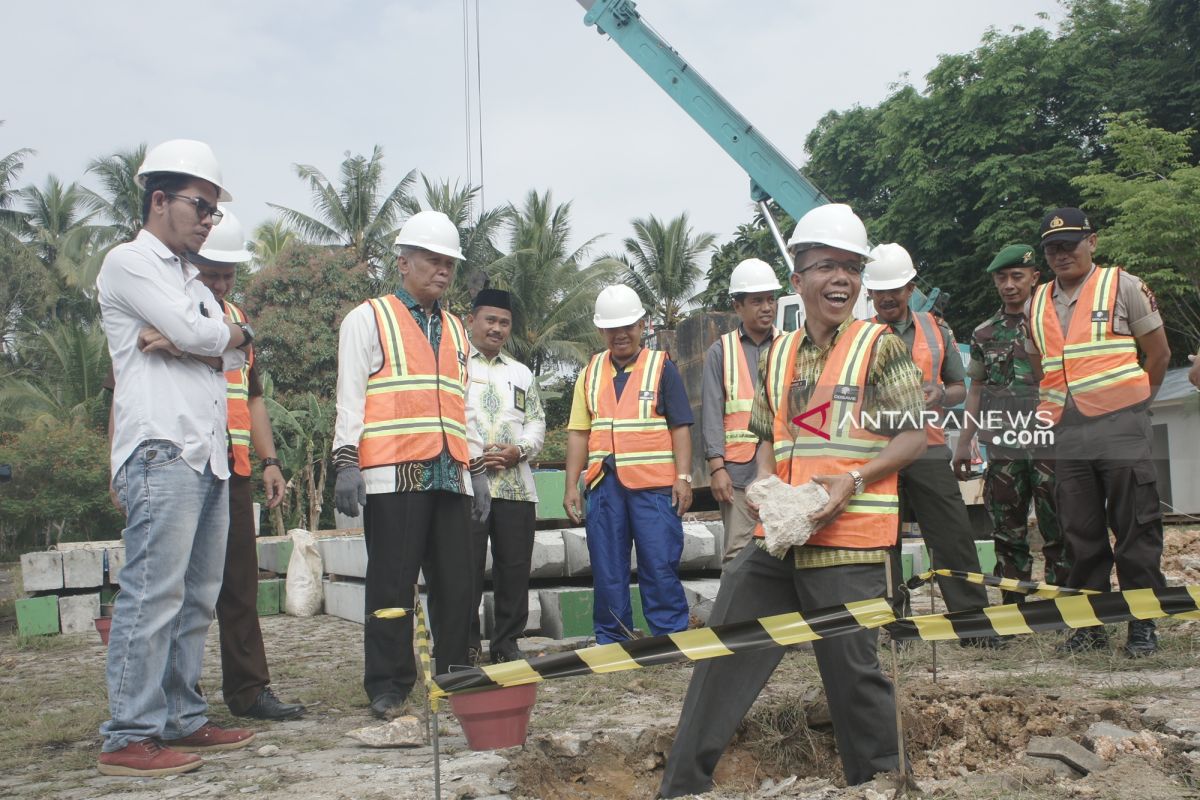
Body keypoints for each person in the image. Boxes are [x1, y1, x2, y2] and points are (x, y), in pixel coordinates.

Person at [659, 204, 927, 797]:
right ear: (799, 276)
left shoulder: (878, 347)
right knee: (722, 654)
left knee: (853, 675)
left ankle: (881, 785)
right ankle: (680, 788)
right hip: (778, 540)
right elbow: (765, 436)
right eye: (828, 265)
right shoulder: (778, 354)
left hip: (849, 544)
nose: (842, 279)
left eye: (852, 268)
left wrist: (853, 480)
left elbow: (913, 434)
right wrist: (761, 485)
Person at [96, 139, 254, 776]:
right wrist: (207, 339)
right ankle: (128, 733)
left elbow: (236, 352)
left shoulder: (191, 278)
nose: (207, 220)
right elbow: (202, 336)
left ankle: (181, 718)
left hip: (208, 451)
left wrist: (221, 338)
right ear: (158, 199)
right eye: (200, 206)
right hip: (161, 447)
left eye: (213, 211)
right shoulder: (128, 264)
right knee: (151, 595)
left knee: (196, 596)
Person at [331, 210, 487, 719]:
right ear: (403, 263)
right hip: (394, 475)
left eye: (449, 263)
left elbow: (464, 402)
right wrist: (346, 460)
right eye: (433, 260)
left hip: (450, 472)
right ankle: (389, 682)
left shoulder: (458, 330)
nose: (443, 271)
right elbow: (350, 396)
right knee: (391, 584)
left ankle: (453, 671)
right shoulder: (369, 318)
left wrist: (478, 467)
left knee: (458, 583)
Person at [1026, 207, 1170, 656]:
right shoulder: (1036, 301)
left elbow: (1159, 354)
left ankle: (1143, 624)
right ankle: (1089, 626)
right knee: (1080, 533)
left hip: (1121, 427)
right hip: (1069, 433)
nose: (1061, 253)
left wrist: (1137, 404)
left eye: (1070, 242)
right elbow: (1041, 369)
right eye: (1052, 247)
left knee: (1135, 528)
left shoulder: (1122, 285)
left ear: (1093, 241)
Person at [188, 209, 306, 720]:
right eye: (209, 273)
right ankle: (178, 697)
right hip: (181, 464)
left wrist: (270, 461)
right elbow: (125, 393)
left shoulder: (239, 325)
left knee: (239, 584)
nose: (218, 283)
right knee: (180, 590)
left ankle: (249, 691)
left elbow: (254, 399)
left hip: (232, 470)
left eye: (227, 275)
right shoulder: (164, 311)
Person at [863, 243, 994, 633]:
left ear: (909, 288)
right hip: (878, 448)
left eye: (895, 289)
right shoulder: (857, 336)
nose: (887, 297)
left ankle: (972, 623)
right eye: (879, 291)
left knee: (953, 534)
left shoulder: (936, 330)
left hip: (929, 444)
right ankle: (892, 625)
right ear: (870, 293)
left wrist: (940, 394)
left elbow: (957, 386)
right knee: (882, 539)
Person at [562, 284, 693, 643]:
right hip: (604, 486)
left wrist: (683, 477)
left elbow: (680, 426)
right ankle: (613, 639)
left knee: (659, 563)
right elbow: (578, 432)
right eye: (612, 329)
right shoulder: (589, 372)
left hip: (654, 487)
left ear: (641, 325)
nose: (621, 335)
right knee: (607, 568)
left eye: (628, 327)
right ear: (600, 331)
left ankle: (670, 638)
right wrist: (571, 485)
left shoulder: (662, 367)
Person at [952, 244, 1068, 604]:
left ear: (1035, 277)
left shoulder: (1056, 324)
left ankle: (1061, 608)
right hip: (1004, 448)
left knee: (1059, 529)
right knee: (1007, 532)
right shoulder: (985, 333)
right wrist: (963, 441)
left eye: (1017, 276)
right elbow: (976, 390)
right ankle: (1013, 610)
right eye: (1001, 278)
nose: (1009, 284)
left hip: (1052, 443)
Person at [464, 288, 546, 664]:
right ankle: (463, 644)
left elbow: (536, 422)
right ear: (472, 321)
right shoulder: (455, 365)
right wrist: (475, 454)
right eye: (490, 320)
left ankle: (507, 643)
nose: (497, 329)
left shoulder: (521, 372)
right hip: (465, 485)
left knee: (514, 570)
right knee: (462, 568)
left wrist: (520, 451)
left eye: (504, 323)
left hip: (516, 487)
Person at [701, 258, 780, 565]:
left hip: (782, 469)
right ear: (738, 306)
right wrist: (717, 469)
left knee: (782, 547)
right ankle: (739, 615)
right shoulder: (721, 351)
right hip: (737, 472)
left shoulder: (790, 345)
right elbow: (712, 413)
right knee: (738, 552)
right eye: (757, 301)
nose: (766, 307)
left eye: (770, 299)